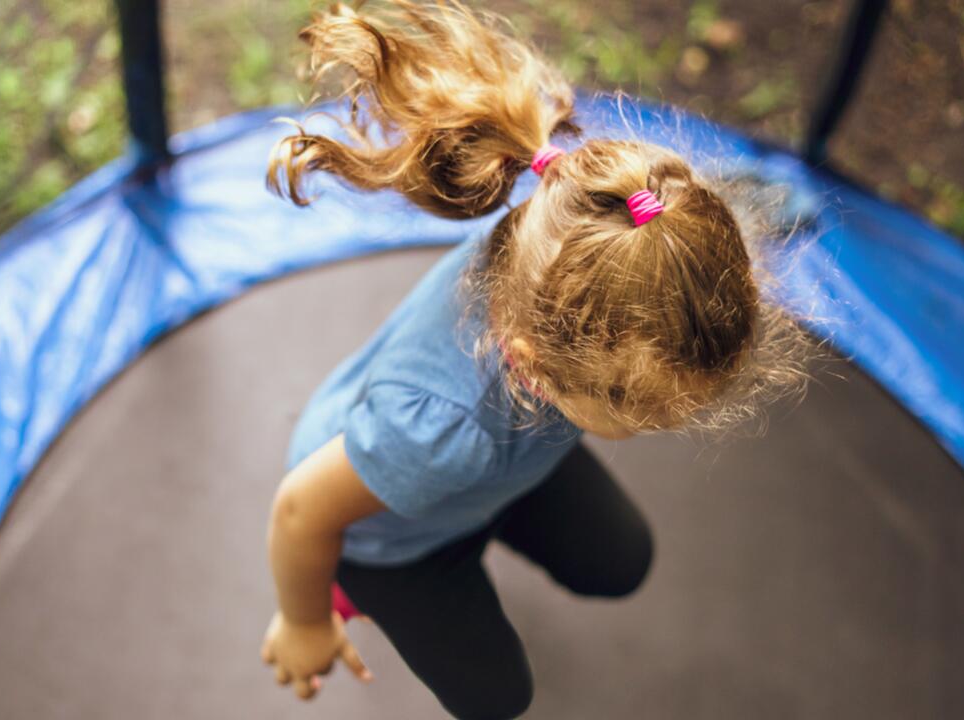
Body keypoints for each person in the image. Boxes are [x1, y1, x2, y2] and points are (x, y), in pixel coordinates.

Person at [260, 3, 808, 718]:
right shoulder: (434, 435)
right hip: (388, 532)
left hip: (498, 468)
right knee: (496, 699)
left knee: (620, 562)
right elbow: (301, 511)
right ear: (536, 365)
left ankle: (487, 514)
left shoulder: (584, 249)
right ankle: (350, 588)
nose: (665, 422)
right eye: (642, 410)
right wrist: (304, 621)